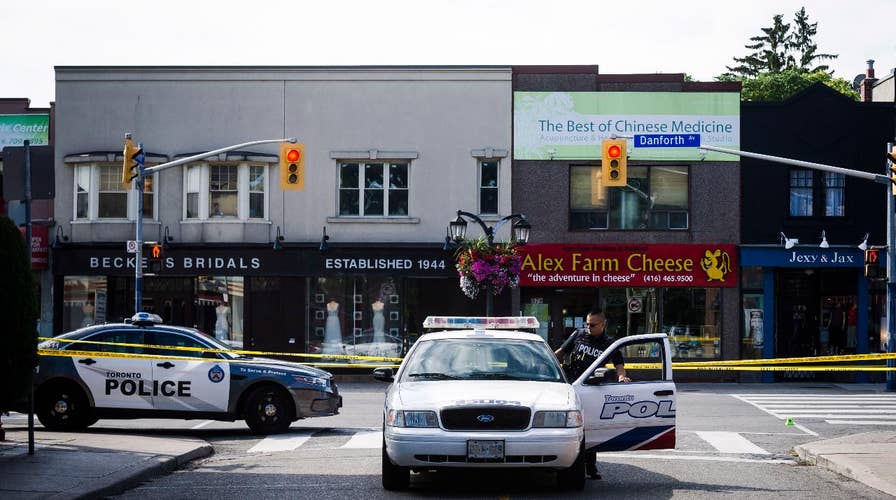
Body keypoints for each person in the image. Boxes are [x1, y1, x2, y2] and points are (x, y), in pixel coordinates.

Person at [554, 309, 630, 480]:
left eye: (592, 324)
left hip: (591, 387)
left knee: (588, 427)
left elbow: (619, 364)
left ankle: (591, 466)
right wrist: (547, 362)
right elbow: (561, 352)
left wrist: (622, 377)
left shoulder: (610, 343)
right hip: (569, 384)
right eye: (587, 323)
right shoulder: (578, 334)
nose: (588, 327)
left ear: (603, 325)